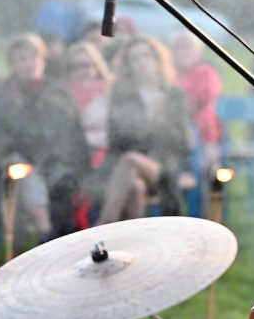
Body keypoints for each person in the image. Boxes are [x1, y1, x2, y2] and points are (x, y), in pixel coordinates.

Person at [0, 33, 90, 242]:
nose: (29, 64)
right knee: (22, 171)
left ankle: (60, 237)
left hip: (55, 161)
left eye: (34, 57)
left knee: (64, 182)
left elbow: (74, 133)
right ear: (12, 64)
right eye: (22, 59)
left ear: (43, 60)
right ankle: (44, 231)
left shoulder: (57, 91)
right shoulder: (2, 94)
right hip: (15, 159)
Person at [96, 37, 192, 224]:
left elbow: (184, 144)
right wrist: (147, 121)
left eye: (147, 56)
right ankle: (131, 248)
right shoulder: (123, 96)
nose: (142, 62)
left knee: (130, 160)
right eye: (135, 59)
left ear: (158, 59)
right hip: (122, 173)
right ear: (128, 66)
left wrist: (158, 120)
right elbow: (114, 139)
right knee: (136, 187)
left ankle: (103, 224)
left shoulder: (173, 95)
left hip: (162, 168)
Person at [170, 30, 222, 174]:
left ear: (198, 51)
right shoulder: (168, 72)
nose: (182, 52)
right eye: (178, 47)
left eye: (186, 47)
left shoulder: (206, 73)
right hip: (170, 134)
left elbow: (196, 105)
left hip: (202, 135)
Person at [65, 41, 113, 168]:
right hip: (73, 157)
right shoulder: (62, 97)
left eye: (86, 65)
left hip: (108, 155)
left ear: (97, 66)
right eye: (75, 67)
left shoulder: (111, 93)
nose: (82, 71)